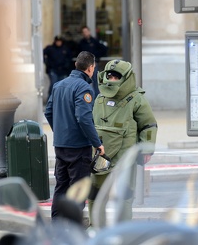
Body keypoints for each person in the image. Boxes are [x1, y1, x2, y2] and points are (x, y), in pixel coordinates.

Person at [88, 59, 158, 226]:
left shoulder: (136, 99)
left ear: (126, 78)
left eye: (116, 77)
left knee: (125, 194)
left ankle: (123, 228)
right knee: (95, 193)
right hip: (101, 154)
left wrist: (146, 150)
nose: (112, 79)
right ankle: (96, 227)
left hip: (126, 155)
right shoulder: (99, 97)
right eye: (109, 76)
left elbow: (148, 124)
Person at [44, 51, 105, 220]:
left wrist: (61, 132)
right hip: (78, 147)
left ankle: (56, 225)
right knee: (78, 189)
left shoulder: (58, 85)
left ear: (76, 65)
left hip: (60, 145)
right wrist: (97, 143)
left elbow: (48, 112)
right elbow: (84, 118)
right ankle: (73, 228)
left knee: (61, 187)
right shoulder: (84, 87)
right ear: (91, 68)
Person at [79, 26, 108, 96]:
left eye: (86, 31)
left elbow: (104, 49)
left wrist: (96, 56)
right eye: (84, 32)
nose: (85, 33)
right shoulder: (81, 43)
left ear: (89, 32)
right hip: (84, 65)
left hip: (93, 64)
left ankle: (96, 97)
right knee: (85, 81)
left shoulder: (95, 41)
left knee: (95, 81)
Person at [43, 35, 73, 102]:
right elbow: (42, 53)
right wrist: (47, 63)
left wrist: (66, 65)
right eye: (57, 41)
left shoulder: (65, 49)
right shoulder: (50, 48)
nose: (58, 43)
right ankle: (50, 101)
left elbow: (69, 58)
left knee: (62, 87)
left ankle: (61, 101)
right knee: (53, 85)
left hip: (63, 71)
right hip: (53, 70)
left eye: (60, 41)